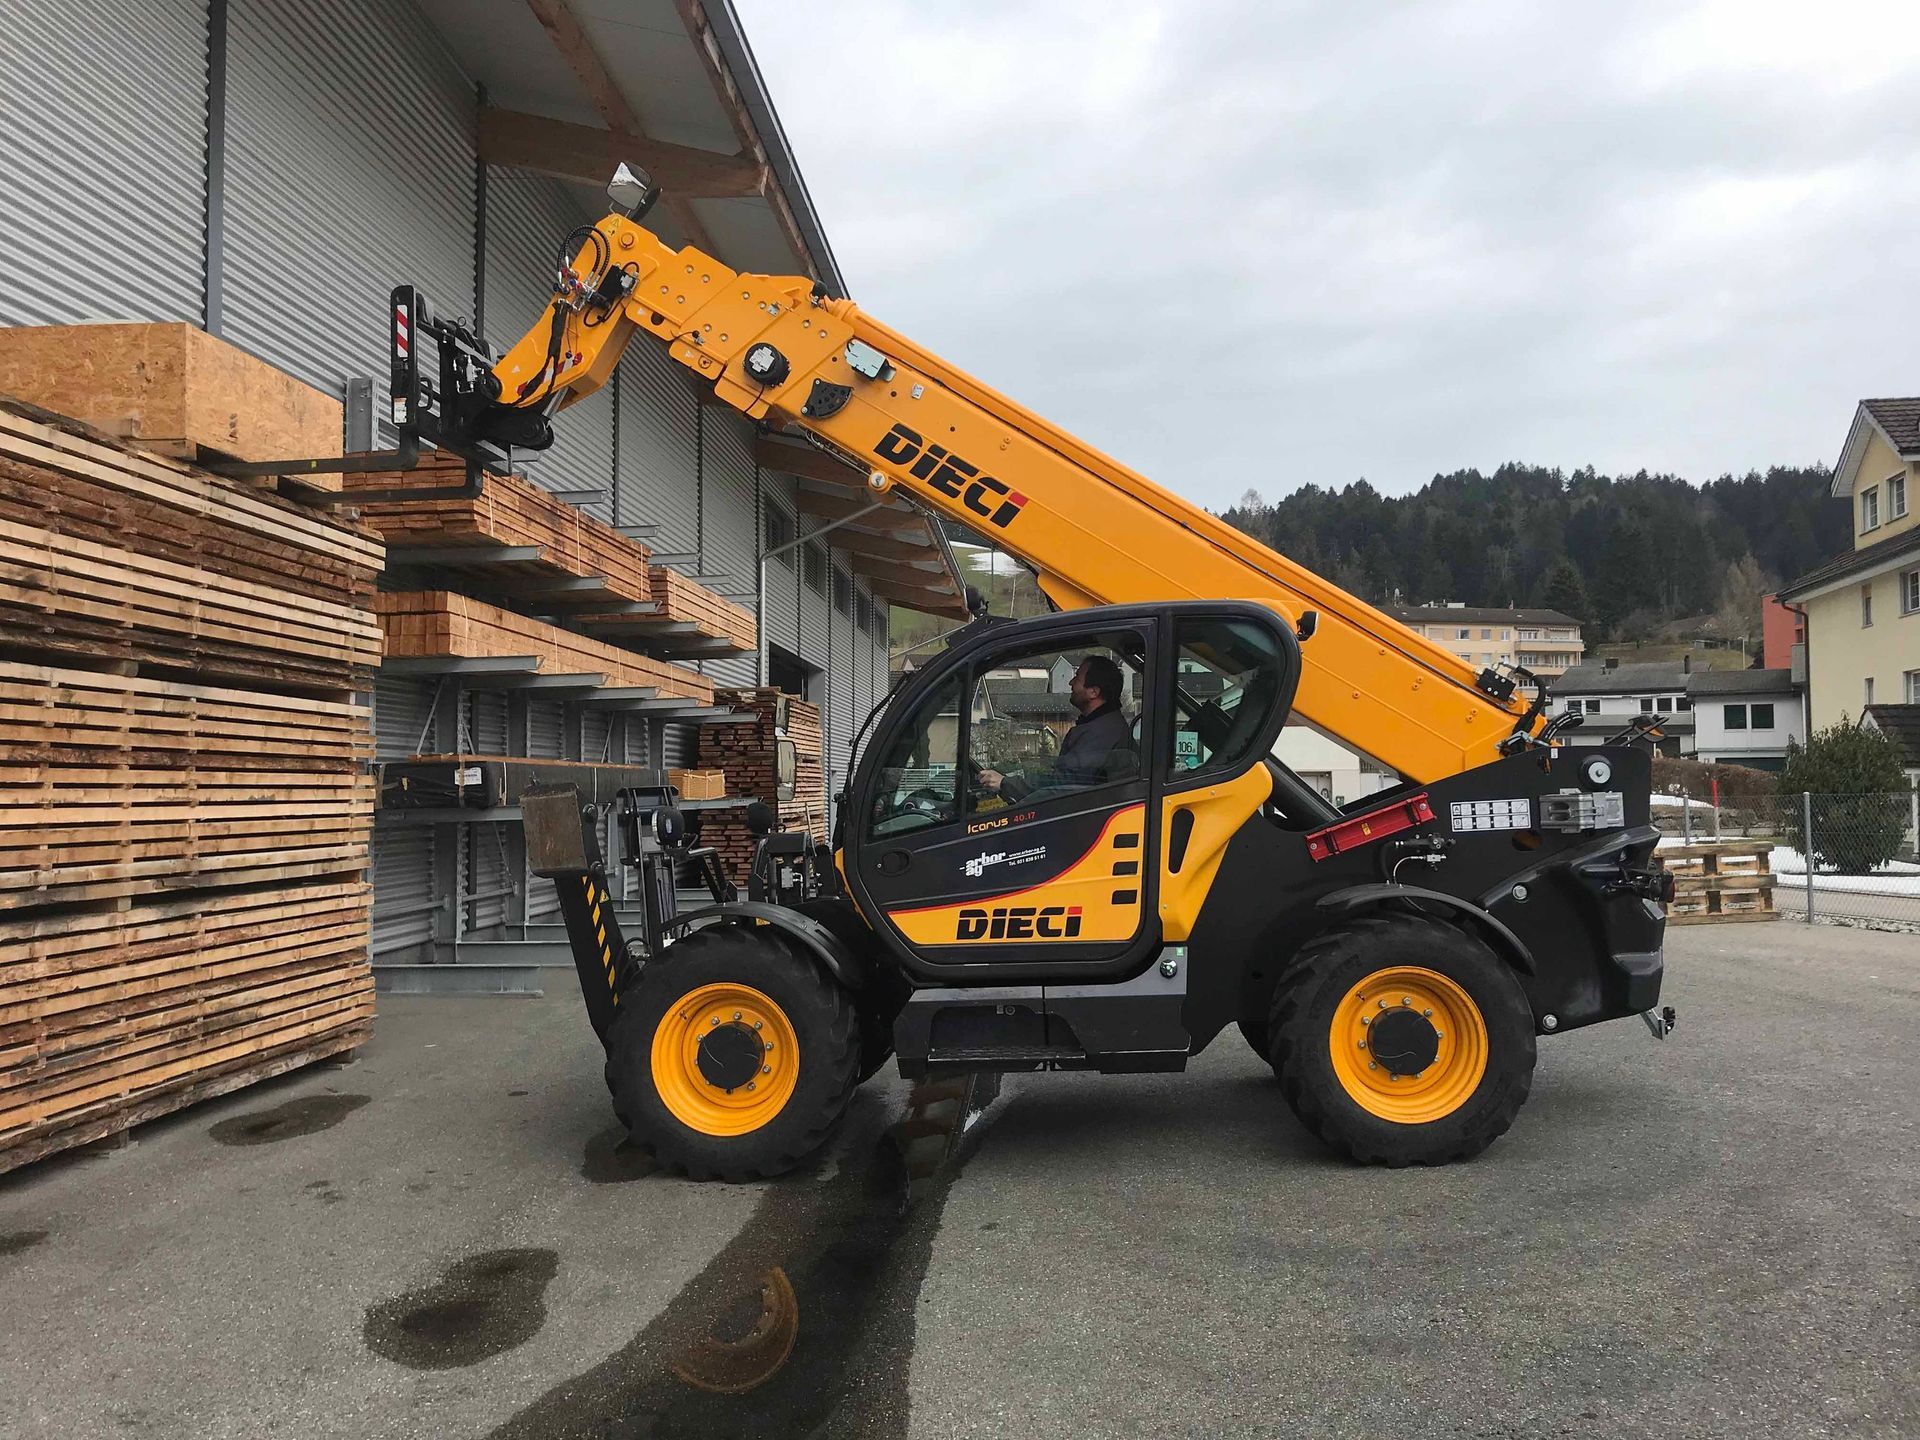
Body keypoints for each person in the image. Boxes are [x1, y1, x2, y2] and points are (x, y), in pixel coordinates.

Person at [979, 655, 1137, 800]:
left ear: (1093, 692)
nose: (1071, 683)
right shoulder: (1103, 726)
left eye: (1077, 678)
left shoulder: (1101, 733)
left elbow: (1062, 787)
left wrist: (1006, 784)